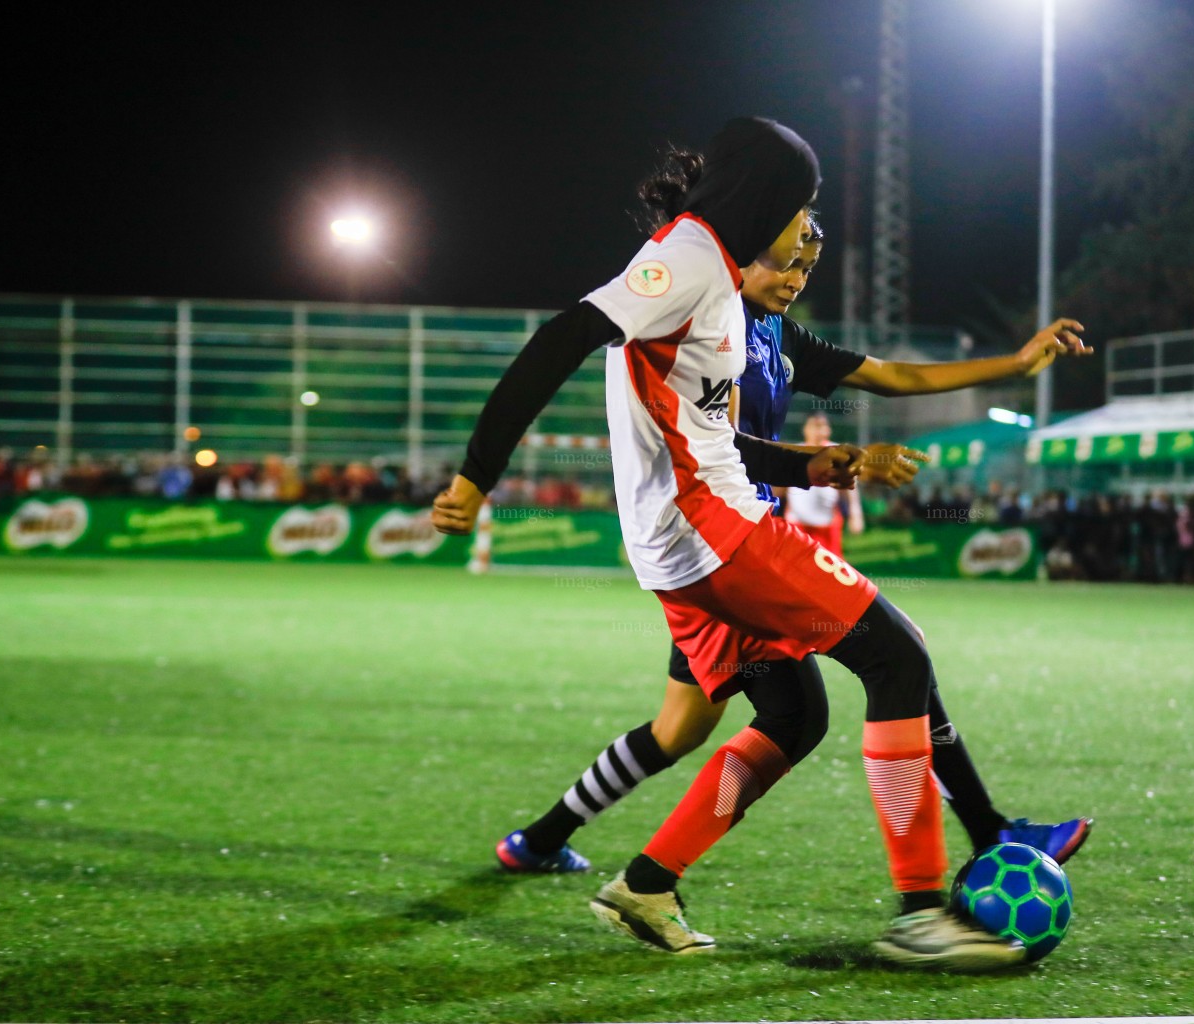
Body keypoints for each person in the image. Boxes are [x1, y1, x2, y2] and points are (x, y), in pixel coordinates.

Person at [432, 118, 1087, 969]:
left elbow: (749, 409)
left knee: (795, 714)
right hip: (713, 528)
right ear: (765, 200)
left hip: (697, 540)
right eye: (801, 208)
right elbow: (564, 337)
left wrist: (1003, 369)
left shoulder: (725, 290)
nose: (807, 230)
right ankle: (924, 913)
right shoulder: (691, 258)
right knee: (899, 658)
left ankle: (647, 882)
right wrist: (479, 474)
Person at [780, 412, 862, 553]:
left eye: (822, 426)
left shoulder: (838, 454)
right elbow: (779, 488)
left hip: (827, 526)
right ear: (805, 429)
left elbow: (849, 488)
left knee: (829, 569)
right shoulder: (794, 453)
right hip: (796, 525)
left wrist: (855, 514)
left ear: (828, 430)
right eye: (814, 426)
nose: (818, 431)